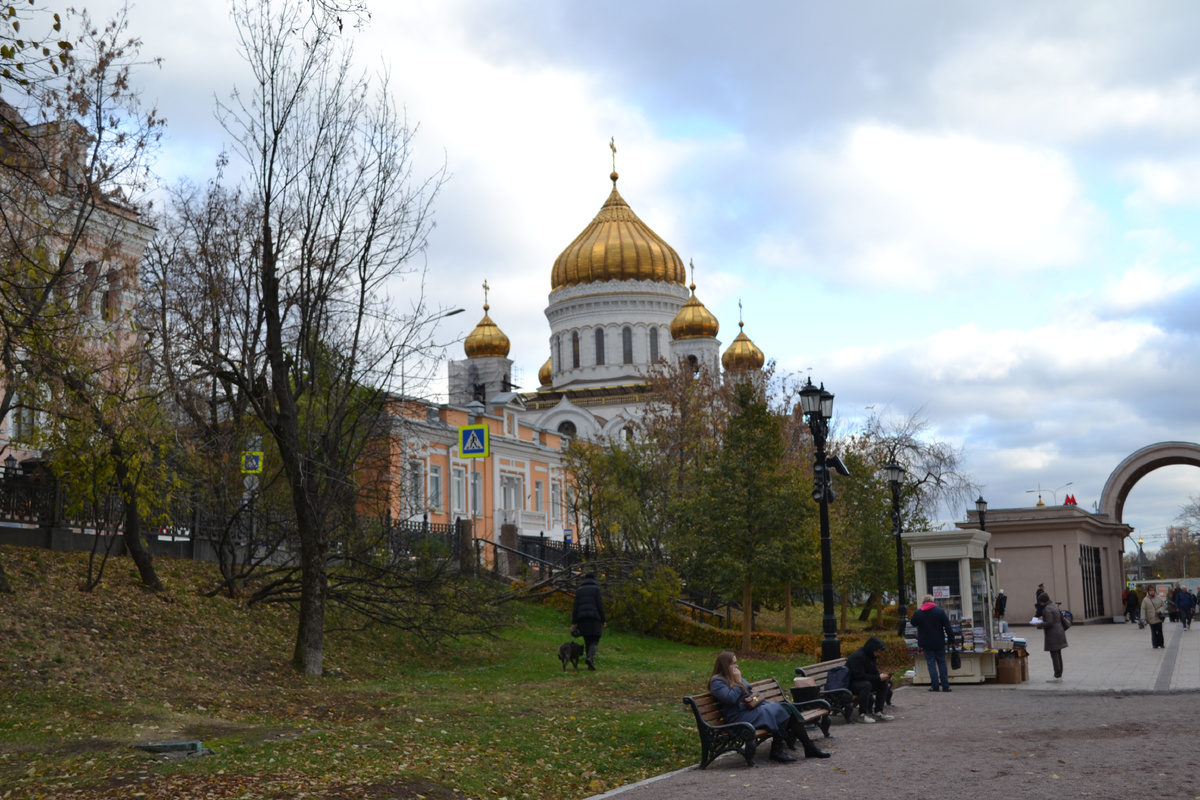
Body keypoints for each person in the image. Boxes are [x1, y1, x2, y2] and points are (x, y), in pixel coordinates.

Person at [707, 652, 830, 762]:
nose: (737, 666)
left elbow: (748, 690)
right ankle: (779, 750)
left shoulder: (733, 676)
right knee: (780, 710)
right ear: (725, 665)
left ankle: (807, 746)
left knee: (787, 707)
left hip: (751, 710)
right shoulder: (717, 681)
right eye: (734, 663)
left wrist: (738, 682)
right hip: (739, 716)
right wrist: (738, 682)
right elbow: (731, 699)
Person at [910, 594, 955, 692]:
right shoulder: (939, 611)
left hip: (926, 642)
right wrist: (951, 639)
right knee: (942, 663)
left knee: (931, 663)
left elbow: (913, 622)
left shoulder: (919, 612)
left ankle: (935, 686)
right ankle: (945, 686)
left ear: (923, 602)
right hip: (939, 642)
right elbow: (948, 626)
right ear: (933, 601)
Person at [846, 636, 894, 722]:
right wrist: (878, 677)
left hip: (862, 681)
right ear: (872, 649)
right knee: (866, 685)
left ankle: (878, 711)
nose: (878, 654)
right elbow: (859, 676)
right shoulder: (858, 657)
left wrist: (882, 677)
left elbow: (874, 672)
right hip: (851, 684)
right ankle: (862, 714)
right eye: (877, 651)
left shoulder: (871, 656)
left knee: (883, 683)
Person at [571, 573, 606, 670]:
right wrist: (603, 620)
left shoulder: (579, 590)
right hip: (594, 618)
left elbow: (576, 607)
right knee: (595, 640)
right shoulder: (596, 589)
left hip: (582, 619)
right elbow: (600, 605)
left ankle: (590, 663)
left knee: (587, 640)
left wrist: (574, 622)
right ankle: (590, 658)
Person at [1037, 592, 1067, 682]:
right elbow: (1053, 618)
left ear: (1042, 602)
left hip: (1053, 635)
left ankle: (1057, 676)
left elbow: (1049, 623)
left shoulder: (1046, 609)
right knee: (1058, 654)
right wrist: (1044, 618)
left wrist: (1040, 624)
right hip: (1059, 632)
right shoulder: (1054, 606)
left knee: (1054, 655)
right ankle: (1059, 674)